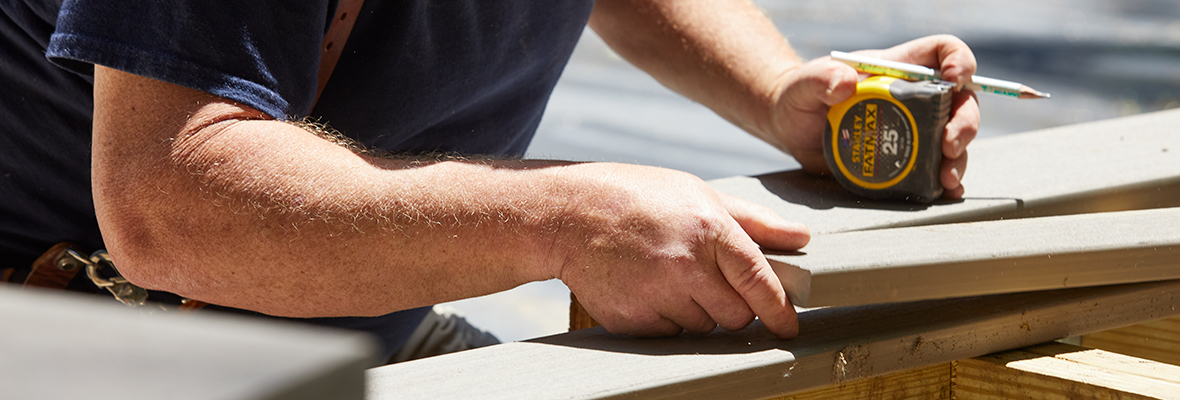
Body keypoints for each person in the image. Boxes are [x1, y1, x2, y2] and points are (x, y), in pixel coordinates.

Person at [0, 0, 979, 361]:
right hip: (83, 348)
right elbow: (169, 202)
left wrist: (777, 93)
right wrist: (562, 218)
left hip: (340, 328)